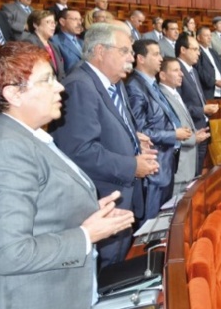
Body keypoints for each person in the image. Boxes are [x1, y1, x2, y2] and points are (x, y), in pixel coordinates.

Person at [0, 42, 134, 309]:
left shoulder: (29, 137)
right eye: (46, 80)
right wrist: (86, 234)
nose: (60, 87)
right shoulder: (7, 148)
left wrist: (89, 212)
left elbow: (43, 208)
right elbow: (8, 253)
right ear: (13, 95)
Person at [50, 22, 158, 267]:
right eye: (124, 51)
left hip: (121, 198)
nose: (131, 57)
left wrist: (134, 138)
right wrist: (132, 165)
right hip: (101, 200)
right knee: (106, 272)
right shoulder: (79, 86)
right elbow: (78, 151)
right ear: (100, 51)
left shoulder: (114, 82)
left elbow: (109, 128)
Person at [127, 39, 187, 219]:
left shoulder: (151, 84)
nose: (160, 58)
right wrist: (173, 134)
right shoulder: (134, 87)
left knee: (162, 219)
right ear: (140, 58)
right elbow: (140, 131)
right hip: (152, 164)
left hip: (165, 161)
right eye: (155, 54)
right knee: (150, 222)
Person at [159, 57, 210, 192]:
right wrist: (193, 138)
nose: (181, 74)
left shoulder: (175, 93)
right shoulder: (162, 95)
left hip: (187, 165)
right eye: (176, 70)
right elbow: (171, 129)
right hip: (178, 167)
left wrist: (195, 134)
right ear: (162, 75)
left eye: (180, 70)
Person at [176, 33, 219, 172]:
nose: (198, 53)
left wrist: (206, 109)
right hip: (188, 130)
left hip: (201, 126)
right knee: (189, 174)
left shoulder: (193, 70)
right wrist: (202, 110)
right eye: (194, 49)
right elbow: (177, 106)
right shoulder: (177, 71)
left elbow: (199, 98)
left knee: (197, 173)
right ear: (183, 50)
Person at [22, 9, 66, 81]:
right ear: (36, 25)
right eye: (48, 22)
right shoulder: (29, 43)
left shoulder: (54, 46)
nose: (53, 25)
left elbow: (61, 72)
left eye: (54, 22)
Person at [195, 26, 221, 99]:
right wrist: (214, 82)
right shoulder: (196, 51)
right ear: (198, 38)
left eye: (210, 35)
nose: (209, 37)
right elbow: (199, 70)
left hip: (220, 90)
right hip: (207, 90)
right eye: (206, 35)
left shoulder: (213, 52)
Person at [51, 9, 84, 73]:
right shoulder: (54, 41)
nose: (79, 23)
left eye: (80, 19)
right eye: (75, 19)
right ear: (62, 22)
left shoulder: (82, 42)